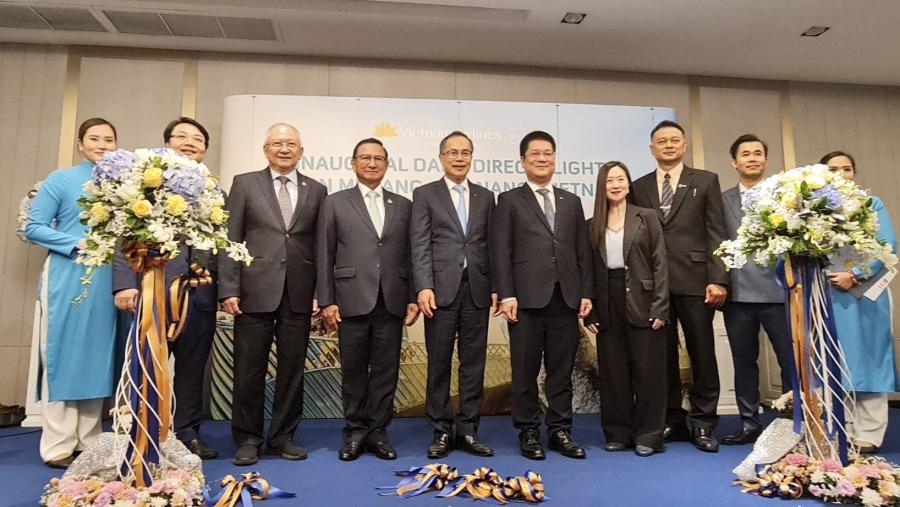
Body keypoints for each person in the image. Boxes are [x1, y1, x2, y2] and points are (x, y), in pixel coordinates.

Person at [219, 123, 327, 466]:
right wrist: (229, 288)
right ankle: (247, 438)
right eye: (277, 143)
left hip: (299, 292)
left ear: (301, 151)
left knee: (293, 369)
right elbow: (230, 239)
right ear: (266, 149)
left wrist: (320, 292)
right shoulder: (244, 183)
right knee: (248, 369)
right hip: (253, 291)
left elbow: (321, 246)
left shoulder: (317, 190)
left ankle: (283, 436)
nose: (284, 149)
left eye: (291, 144)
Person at [112, 117, 220, 459]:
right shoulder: (145, 184)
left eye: (197, 139)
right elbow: (124, 236)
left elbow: (223, 244)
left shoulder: (216, 191)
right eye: (181, 136)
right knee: (146, 366)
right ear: (167, 143)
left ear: (205, 149)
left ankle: (188, 433)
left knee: (192, 370)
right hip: (152, 291)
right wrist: (123, 286)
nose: (190, 142)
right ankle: (141, 433)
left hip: (199, 297)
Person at [491, 131, 593, 460]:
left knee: (561, 371)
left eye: (547, 153)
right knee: (525, 371)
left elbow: (582, 251)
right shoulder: (509, 201)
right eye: (535, 153)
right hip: (525, 301)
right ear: (522, 161)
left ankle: (560, 430)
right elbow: (501, 252)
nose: (542, 159)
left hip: (565, 298)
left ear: (554, 159)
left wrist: (586, 292)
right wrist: (507, 294)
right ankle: (529, 431)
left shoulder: (571, 201)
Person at [317, 138, 420, 461]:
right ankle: (354, 431)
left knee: (386, 371)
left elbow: (412, 255)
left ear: (387, 165)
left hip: (392, 298)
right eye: (365, 158)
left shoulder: (403, 205)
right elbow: (324, 253)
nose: (372, 163)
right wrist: (326, 299)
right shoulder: (335, 202)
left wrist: (413, 296)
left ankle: (378, 432)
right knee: (354, 370)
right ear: (353, 163)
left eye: (378, 158)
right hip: (350, 298)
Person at [629, 120, 728, 453]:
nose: (668, 145)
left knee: (702, 352)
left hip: (697, 280)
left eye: (674, 140)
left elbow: (717, 232)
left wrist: (718, 278)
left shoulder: (706, 180)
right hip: (655, 285)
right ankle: (672, 417)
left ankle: (703, 421)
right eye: (662, 141)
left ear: (684, 145)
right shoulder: (639, 186)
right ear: (652, 149)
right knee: (663, 356)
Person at [25, 118, 119, 469]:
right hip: (68, 274)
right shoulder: (60, 179)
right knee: (63, 354)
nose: (102, 145)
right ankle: (58, 444)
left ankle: (89, 441)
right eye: (94, 139)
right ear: (80, 144)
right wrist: (76, 243)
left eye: (109, 139)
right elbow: (34, 227)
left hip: (107, 277)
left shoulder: (122, 184)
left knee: (98, 356)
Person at [410, 131, 496, 459]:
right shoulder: (425, 194)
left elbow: (492, 244)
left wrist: (496, 288)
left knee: (474, 363)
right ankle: (442, 430)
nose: (459, 158)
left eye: (465, 153)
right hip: (439, 290)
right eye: (453, 152)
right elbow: (419, 243)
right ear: (441, 157)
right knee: (439, 362)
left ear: (472, 157)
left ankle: (469, 429)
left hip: (477, 289)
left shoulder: (486, 197)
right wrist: (423, 286)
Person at [585, 161, 668, 457]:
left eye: (620, 179)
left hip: (643, 299)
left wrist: (660, 307)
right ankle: (618, 432)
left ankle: (649, 435)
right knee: (613, 371)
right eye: (610, 181)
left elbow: (660, 262)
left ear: (629, 184)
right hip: (607, 299)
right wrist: (591, 310)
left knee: (648, 371)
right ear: (601, 186)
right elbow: (588, 270)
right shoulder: (592, 224)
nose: (616, 185)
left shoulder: (647, 217)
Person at [820, 150, 898, 453]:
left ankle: (871, 432)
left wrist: (854, 274)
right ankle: (844, 428)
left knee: (869, 360)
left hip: (865, 294)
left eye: (846, 168)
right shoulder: (814, 212)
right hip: (829, 295)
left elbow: (888, 246)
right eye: (833, 169)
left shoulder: (871, 204)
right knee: (837, 361)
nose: (840, 174)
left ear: (854, 173)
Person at [720, 134, 794, 445]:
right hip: (738, 294)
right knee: (744, 362)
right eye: (745, 154)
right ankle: (749, 423)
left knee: (788, 361)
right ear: (734, 162)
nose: (752, 158)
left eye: (757, 153)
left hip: (778, 293)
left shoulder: (786, 198)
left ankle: (791, 423)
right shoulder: (721, 200)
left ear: (765, 160)